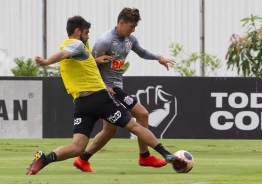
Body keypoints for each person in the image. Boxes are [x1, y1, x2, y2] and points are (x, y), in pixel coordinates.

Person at [26, 15, 186, 175]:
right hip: (99, 98)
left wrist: (94, 60)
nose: (88, 36)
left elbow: (72, 58)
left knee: (77, 147)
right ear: (77, 31)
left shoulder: (77, 49)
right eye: (86, 32)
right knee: (134, 125)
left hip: (82, 104)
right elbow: (63, 54)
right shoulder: (76, 44)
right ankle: (165, 154)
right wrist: (46, 62)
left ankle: (44, 159)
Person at [73, 7, 177, 172]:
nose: (133, 30)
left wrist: (159, 57)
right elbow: (89, 66)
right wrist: (103, 86)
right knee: (142, 115)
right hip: (107, 90)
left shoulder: (130, 40)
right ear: (121, 22)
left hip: (116, 88)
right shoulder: (104, 41)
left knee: (110, 130)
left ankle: (82, 159)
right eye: (131, 26)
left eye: (135, 27)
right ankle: (145, 156)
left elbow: (142, 52)